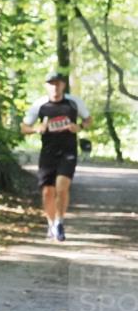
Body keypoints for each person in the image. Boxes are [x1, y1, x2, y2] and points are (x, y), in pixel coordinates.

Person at [21, 70, 92, 242]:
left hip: (68, 151)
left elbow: (89, 119)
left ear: (63, 85)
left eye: (58, 83)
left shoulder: (74, 102)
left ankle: (59, 222)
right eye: (51, 84)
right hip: (48, 153)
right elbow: (24, 127)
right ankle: (51, 224)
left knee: (62, 187)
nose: (55, 87)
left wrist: (79, 127)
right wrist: (36, 129)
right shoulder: (40, 105)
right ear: (46, 86)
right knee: (47, 191)